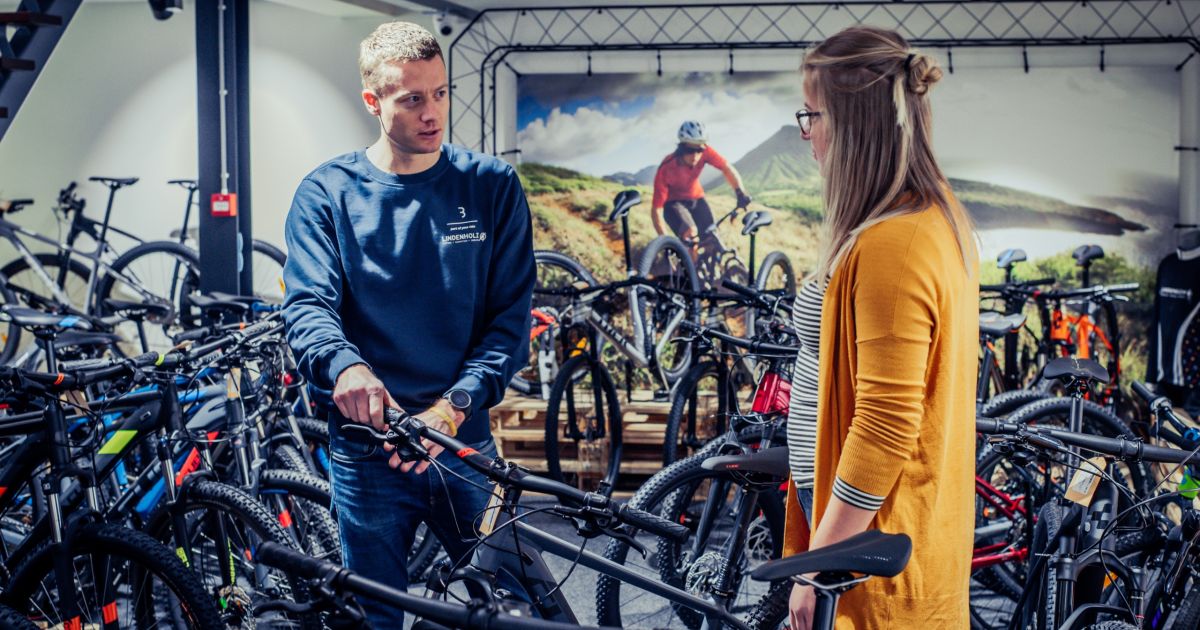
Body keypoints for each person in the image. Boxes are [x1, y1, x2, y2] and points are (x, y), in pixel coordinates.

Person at [281, 21, 535, 626]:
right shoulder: (327, 194)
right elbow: (308, 306)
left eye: (440, 93)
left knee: (518, 610)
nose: (433, 113)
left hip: (462, 444)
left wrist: (452, 408)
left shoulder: (491, 186)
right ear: (373, 102)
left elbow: (509, 322)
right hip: (368, 454)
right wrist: (345, 368)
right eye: (413, 98)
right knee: (374, 618)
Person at [784, 26, 978, 629]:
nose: (807, 132)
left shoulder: (897, 243)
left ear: (853, 123)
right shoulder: (922, 218)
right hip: (856, 522)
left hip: (865, 538)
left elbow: (885, 427)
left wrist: (818, 567)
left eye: (812, 114)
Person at [650, 121, 752, 259]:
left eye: (699, 150)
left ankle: (708, 267)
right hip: (673, 203)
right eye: (690, 150)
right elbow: (656, 210)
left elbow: (727, 168)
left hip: (696, 198)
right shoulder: (666, 167)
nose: (695, 155)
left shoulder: (706, 151)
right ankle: (692, 270)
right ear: (681, 148)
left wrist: (740, 192)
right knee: (691, 235)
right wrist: (664, 242)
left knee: (711, 235)